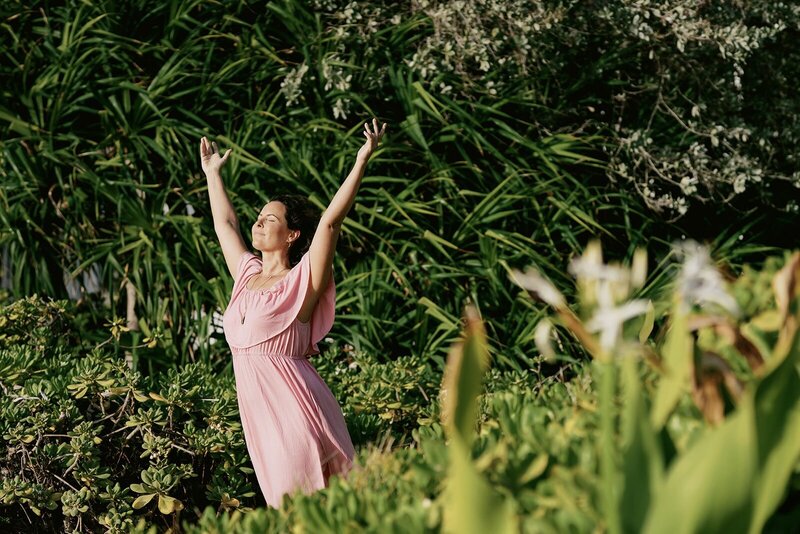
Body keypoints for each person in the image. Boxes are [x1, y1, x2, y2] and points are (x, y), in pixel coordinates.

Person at [199, 118, 387, 508]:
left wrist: (361, 160)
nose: (258, 221)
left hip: (295, 410)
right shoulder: (247, 274)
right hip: (259, 418)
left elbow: (331, 223)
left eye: (270, 219)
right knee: (290, 511)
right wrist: (212, 174)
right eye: (259, 215)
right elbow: (225, 224)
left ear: (291, 235)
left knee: (300, 509)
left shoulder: (301, 282)